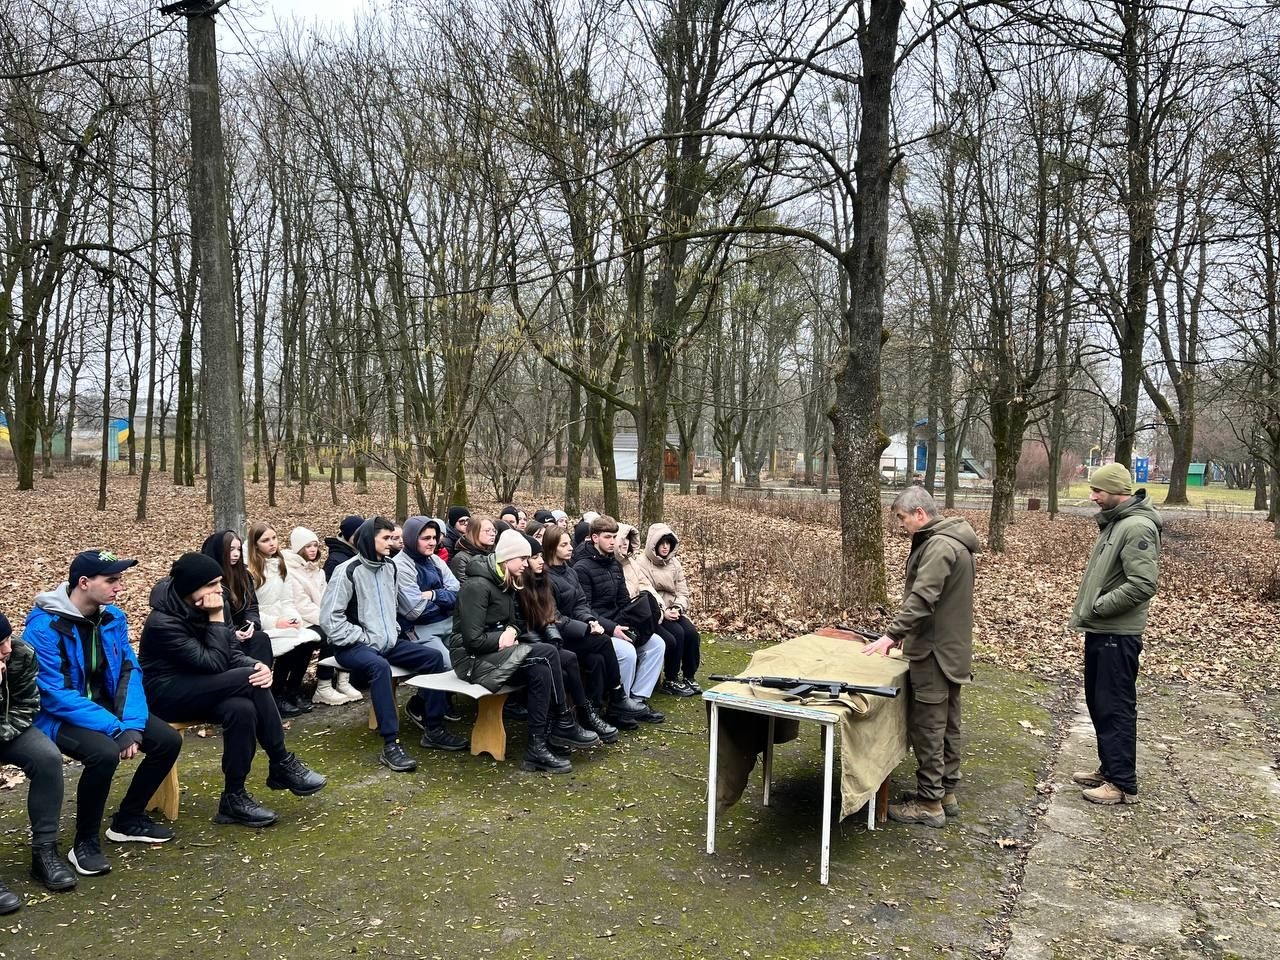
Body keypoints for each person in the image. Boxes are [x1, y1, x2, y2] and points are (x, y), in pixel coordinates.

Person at [24, 550, 183, 877]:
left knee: (166, 740)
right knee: (104, 754)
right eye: (111, 580)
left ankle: (127, 819)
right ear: (83, 583)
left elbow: (129, 670)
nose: (119, 588)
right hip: (59, 716)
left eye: (119, 580)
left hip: (104, 707)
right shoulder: (44, 628)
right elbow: (53, 695)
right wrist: (114, 729)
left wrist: (133, 725)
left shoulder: (112, 618)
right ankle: (84, 843)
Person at [139, 552, 326, 827]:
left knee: (243, 709)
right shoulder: (162, 622)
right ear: (191, 587)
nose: (219, 589)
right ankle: (281, 762)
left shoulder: (218, 601)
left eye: (219, 582)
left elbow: (232, 652)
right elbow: (214, 662)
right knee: (247, 680)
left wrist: (255, 665)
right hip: (167, 693)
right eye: (212, 584)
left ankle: (233, 798)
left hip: (208, 686)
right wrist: (215, 618)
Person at [862, 487, 978, 828]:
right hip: (949, 649)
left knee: (929, 727)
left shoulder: (939, 546)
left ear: (920, 514)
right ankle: (945, 792)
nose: (901, 525)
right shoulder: (953, 540)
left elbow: (922, 599)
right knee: (947, 725)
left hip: (933, 652)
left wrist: (892, 634)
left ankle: (929, 803)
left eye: (902, 518)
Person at [319, 517, 468, 772]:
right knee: (380, 668)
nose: (393, 543)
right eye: (386, 538)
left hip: (387, 641)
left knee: (433, 659)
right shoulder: (348, 570)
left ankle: (433, 729)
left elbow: (393, 608)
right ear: (369, 539)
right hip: (353, 646)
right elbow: (330, 619)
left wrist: (393, 630)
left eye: (393, 537)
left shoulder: (390, 567)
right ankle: (391, 744)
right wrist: (363, 636)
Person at [449, 531, 594, 773]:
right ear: (507, 559)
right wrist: (501, 638)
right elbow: (472, 640)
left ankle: (537, 747)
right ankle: (563, 720)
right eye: (523, 559)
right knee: (547, 653)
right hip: (471, 661)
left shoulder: (507, 581)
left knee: (541, 670)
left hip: (495, 654)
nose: (527, 564)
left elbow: (517, 621)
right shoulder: (477, 586)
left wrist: (511, 631)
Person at [1067, 462, 1161, 806]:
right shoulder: (1117, 522)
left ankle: (1122, 783)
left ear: (1116, 491)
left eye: (1098, 491)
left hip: (1117, 634)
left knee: (1115, 706)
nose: (1093, 496)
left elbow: (1142, 584)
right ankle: (1109, 770)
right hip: (1103, 631)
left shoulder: (1137, 527)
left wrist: (1098, 607)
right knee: (1099, 702)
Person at [0, 612, 76, 902]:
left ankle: (44, 852)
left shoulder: (20, 654)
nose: (7, 648)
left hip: (9, 727)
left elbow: (28, 705)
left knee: (47, 757)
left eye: (6, 639)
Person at [543, 526, 647, 729]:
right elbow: (554, 617)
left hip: (576, 628)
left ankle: (594, 712)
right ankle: (617, 696)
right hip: (559, 636)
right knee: (603, 642)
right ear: (551, 548)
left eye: (569, 543)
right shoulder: (546, 578)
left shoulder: (570, 572)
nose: (570, 548)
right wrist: (586, 628)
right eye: (564, 545)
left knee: (597, 659)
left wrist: (590, 620)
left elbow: (581, 603)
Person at [517, 535, 615, 743]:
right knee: (570, 658)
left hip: (553, 637)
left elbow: (551, 616)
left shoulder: (544, 579)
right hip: (533, 642)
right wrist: (581, 630)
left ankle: (587, 713)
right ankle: (578, 716)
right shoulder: (523, 585)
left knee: (595, 658)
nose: (540, 561)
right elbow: (531, 622)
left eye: (539, 556)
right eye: (533, 557)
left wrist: (589, 621)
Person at [571, 516, 665, 723]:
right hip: (598, 629)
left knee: (657, 644)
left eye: (614, 536)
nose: (613, 541)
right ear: (594, 538)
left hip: (618, 621)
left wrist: (636, 619)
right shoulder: (582, 568)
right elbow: (584, 609)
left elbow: (622, 601)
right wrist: (612, 628)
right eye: (607, 537)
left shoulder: (613, 564)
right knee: (627, 652)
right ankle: (618, 705)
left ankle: (637, 700)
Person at [246, 522, 322, 718]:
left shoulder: (281, 565)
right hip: (262, 624)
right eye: (265, 540)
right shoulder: (250, 571)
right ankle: (276, 692)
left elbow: (287, 600)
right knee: (289, 646)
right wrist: (275, 622)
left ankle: (293, 689)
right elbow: (251, 609)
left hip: (283, 618)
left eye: (274, 538)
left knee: (308, 640)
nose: (272, 544)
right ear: (255, 545)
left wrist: (293, 618)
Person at [284, 527, 359, 706]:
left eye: (315, 546)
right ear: (298, 548)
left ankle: (343, 681)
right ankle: (323, 686)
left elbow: (327, 597)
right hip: (303, 620)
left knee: (348, 628)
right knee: (329, 636)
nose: (312, 550)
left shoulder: (318, 571)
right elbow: (301, 605)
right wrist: (328, 621)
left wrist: (333, 618)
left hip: (321, 617)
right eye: (308, 546)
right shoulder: (291, 571)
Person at [634, 522, 703, 697]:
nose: (665, 547)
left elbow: (682, 590)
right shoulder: (641, 563)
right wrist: (663, 611)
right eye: (661, 543)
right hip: (655, 612)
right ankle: (670, 679)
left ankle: (689, 675)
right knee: (677, 634)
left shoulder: (675, 564)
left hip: (673, 609)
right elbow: (645, 591)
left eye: (668, 543)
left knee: (691, 633)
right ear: (653, 544)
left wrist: (678, 607)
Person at [200, 530, 273, 666]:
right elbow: (204, 618)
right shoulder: (208, 579)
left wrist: (252, 624)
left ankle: (263, 681)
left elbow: (251, 606)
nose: (236, 554)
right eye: (231, 549)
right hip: (218, 635)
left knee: (260, 639)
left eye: (238, 549)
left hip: (242, 631)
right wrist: (233, 633)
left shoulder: (243, 575)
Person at [393, 516, 459, 662]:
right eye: (426, 538)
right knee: (447, 665)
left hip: (449, 624)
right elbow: (415, 610)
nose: (432, 543)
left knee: (468, 661)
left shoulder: (435, 560)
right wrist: (446, 601)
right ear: (411, 538)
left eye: (434, 537)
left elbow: (457, 593)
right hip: (419, 629)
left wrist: (434, 595)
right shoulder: (400, 566)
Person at [448, 514, 497, 586]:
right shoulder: (461, 558)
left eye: (494, 530)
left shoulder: (493, 555)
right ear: (474, 532)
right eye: (487, 530)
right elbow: (465, 587)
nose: (492, 534)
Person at [323, 515, 363, 580]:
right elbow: (329, 586)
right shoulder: (335, 560)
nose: (361, 537)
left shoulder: (364, 552)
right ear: (348, 536)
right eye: (357, 534)